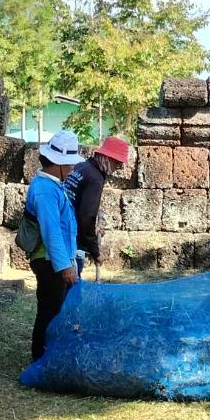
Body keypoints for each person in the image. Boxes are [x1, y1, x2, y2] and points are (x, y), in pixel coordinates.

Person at [26, 130, 84, 361]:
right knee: (50, 311)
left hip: (56, 259)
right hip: (49, 261)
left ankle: (51, 357)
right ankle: (41, 359)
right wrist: (64, 266)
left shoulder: (52, 186)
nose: (71, 169)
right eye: (68, 164)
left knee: (57, 309)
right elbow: (52, 232)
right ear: (57, 164)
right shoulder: (45, 190)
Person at [63, 135, 130, 276]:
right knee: (71, 288)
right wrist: (95, 252)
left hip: (63, 228)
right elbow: (87, 217)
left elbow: (80, 203)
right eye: (117, 164)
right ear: (107, 158)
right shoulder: (95, 178)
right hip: (71, 238)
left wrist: (94, 227)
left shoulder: (82, 166)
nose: (116, 169)